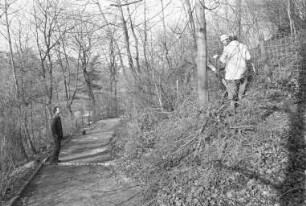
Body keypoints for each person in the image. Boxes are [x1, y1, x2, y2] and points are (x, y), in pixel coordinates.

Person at [218, 34, 252, 108]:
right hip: (243, 71)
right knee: (242, 88)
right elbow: (248, 58)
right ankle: (242, 104)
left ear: (229, 39)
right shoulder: (243, 46)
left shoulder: (227, 48)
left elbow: (222, 60)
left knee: (232, 91)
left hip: (231, 73)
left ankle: (232, 108)